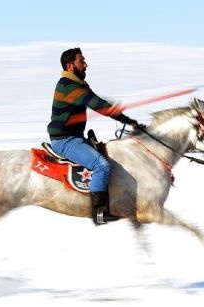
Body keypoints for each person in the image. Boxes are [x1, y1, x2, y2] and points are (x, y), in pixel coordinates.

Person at [48, 47, 140, 225]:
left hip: (76, 136)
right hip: (65, 140)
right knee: (101, 165)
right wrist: (120, 115)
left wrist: (125, 119)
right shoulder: (67, 86)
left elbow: (97, 102)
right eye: (81, 61)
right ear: (70, 65)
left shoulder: (78, 85)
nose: (86, 65)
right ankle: (98, 213)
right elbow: (96, 104)